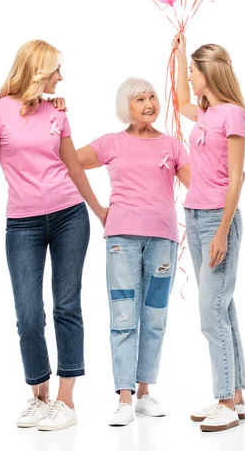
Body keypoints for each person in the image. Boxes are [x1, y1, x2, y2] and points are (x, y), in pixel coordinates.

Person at [0, 40, 107, 431]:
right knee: (28, 315)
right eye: (56, 70)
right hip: (23, 224)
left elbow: (74, 167)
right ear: (38, 70)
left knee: (67, 306)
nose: (61, 78)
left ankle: (65, 401)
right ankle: (39, 395)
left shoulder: (57, 112)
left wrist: (97, 209)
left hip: (69, 217)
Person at [76, 78, 190, 427]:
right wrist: (97, 207)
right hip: (122, 239)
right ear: (126, 106)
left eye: (152, 96)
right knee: (124, 316)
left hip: (163, 241)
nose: (149, 103)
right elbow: (68, 160)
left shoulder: (172, 146)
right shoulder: (111, 143)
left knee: (155, 318)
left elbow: (196, 185)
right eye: (139, 99)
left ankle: (143, 392)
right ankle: (123, 396)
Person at [173, 32, 245, 433]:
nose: (189, 76)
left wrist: (222, 231)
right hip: (196, 216)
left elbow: (236, 179)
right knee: (224, 308)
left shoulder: (233, 115)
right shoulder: (204, 113)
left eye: (193, 70)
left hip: (219, 218)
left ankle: (223, 400)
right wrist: (179, 50)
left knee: (211, 314)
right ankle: (234, 396)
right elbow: (177, 100)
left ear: (209, 73)